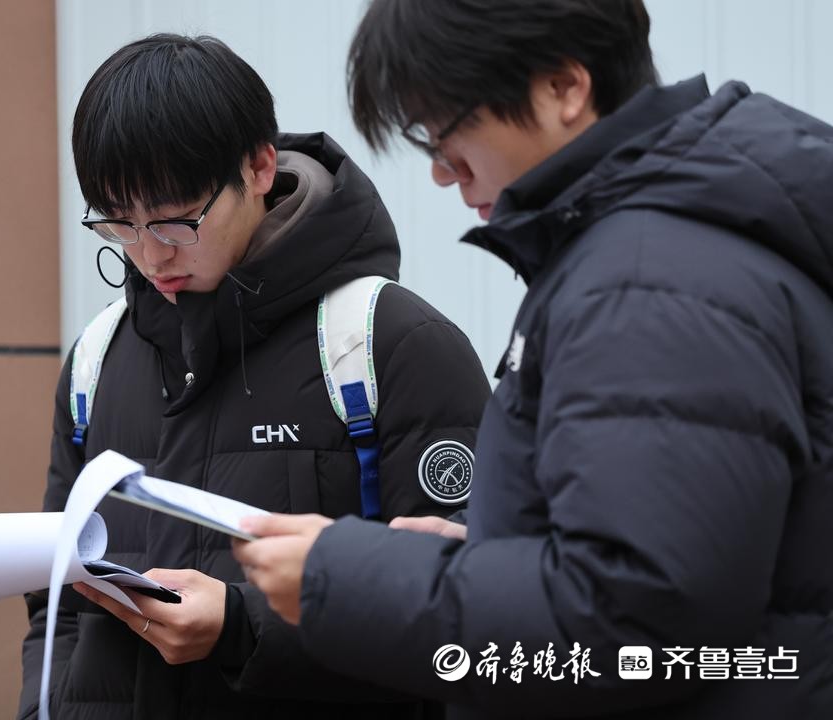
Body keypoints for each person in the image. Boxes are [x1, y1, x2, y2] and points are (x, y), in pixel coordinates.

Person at [233, 1, 833, 718]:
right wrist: (486, 548)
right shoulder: (655, 249)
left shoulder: (645, 282)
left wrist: (347, 576)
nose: (444, 173)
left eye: (447, 132)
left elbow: (633, 622)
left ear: (563, 88)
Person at [17, 33, 493, 720]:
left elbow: (464, 617)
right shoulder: (98, 358)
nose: (150, 255)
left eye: (176, 221)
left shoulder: (390, 344)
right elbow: (54, 600)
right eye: (119, 224)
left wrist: (242, 627)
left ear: (260, 167)